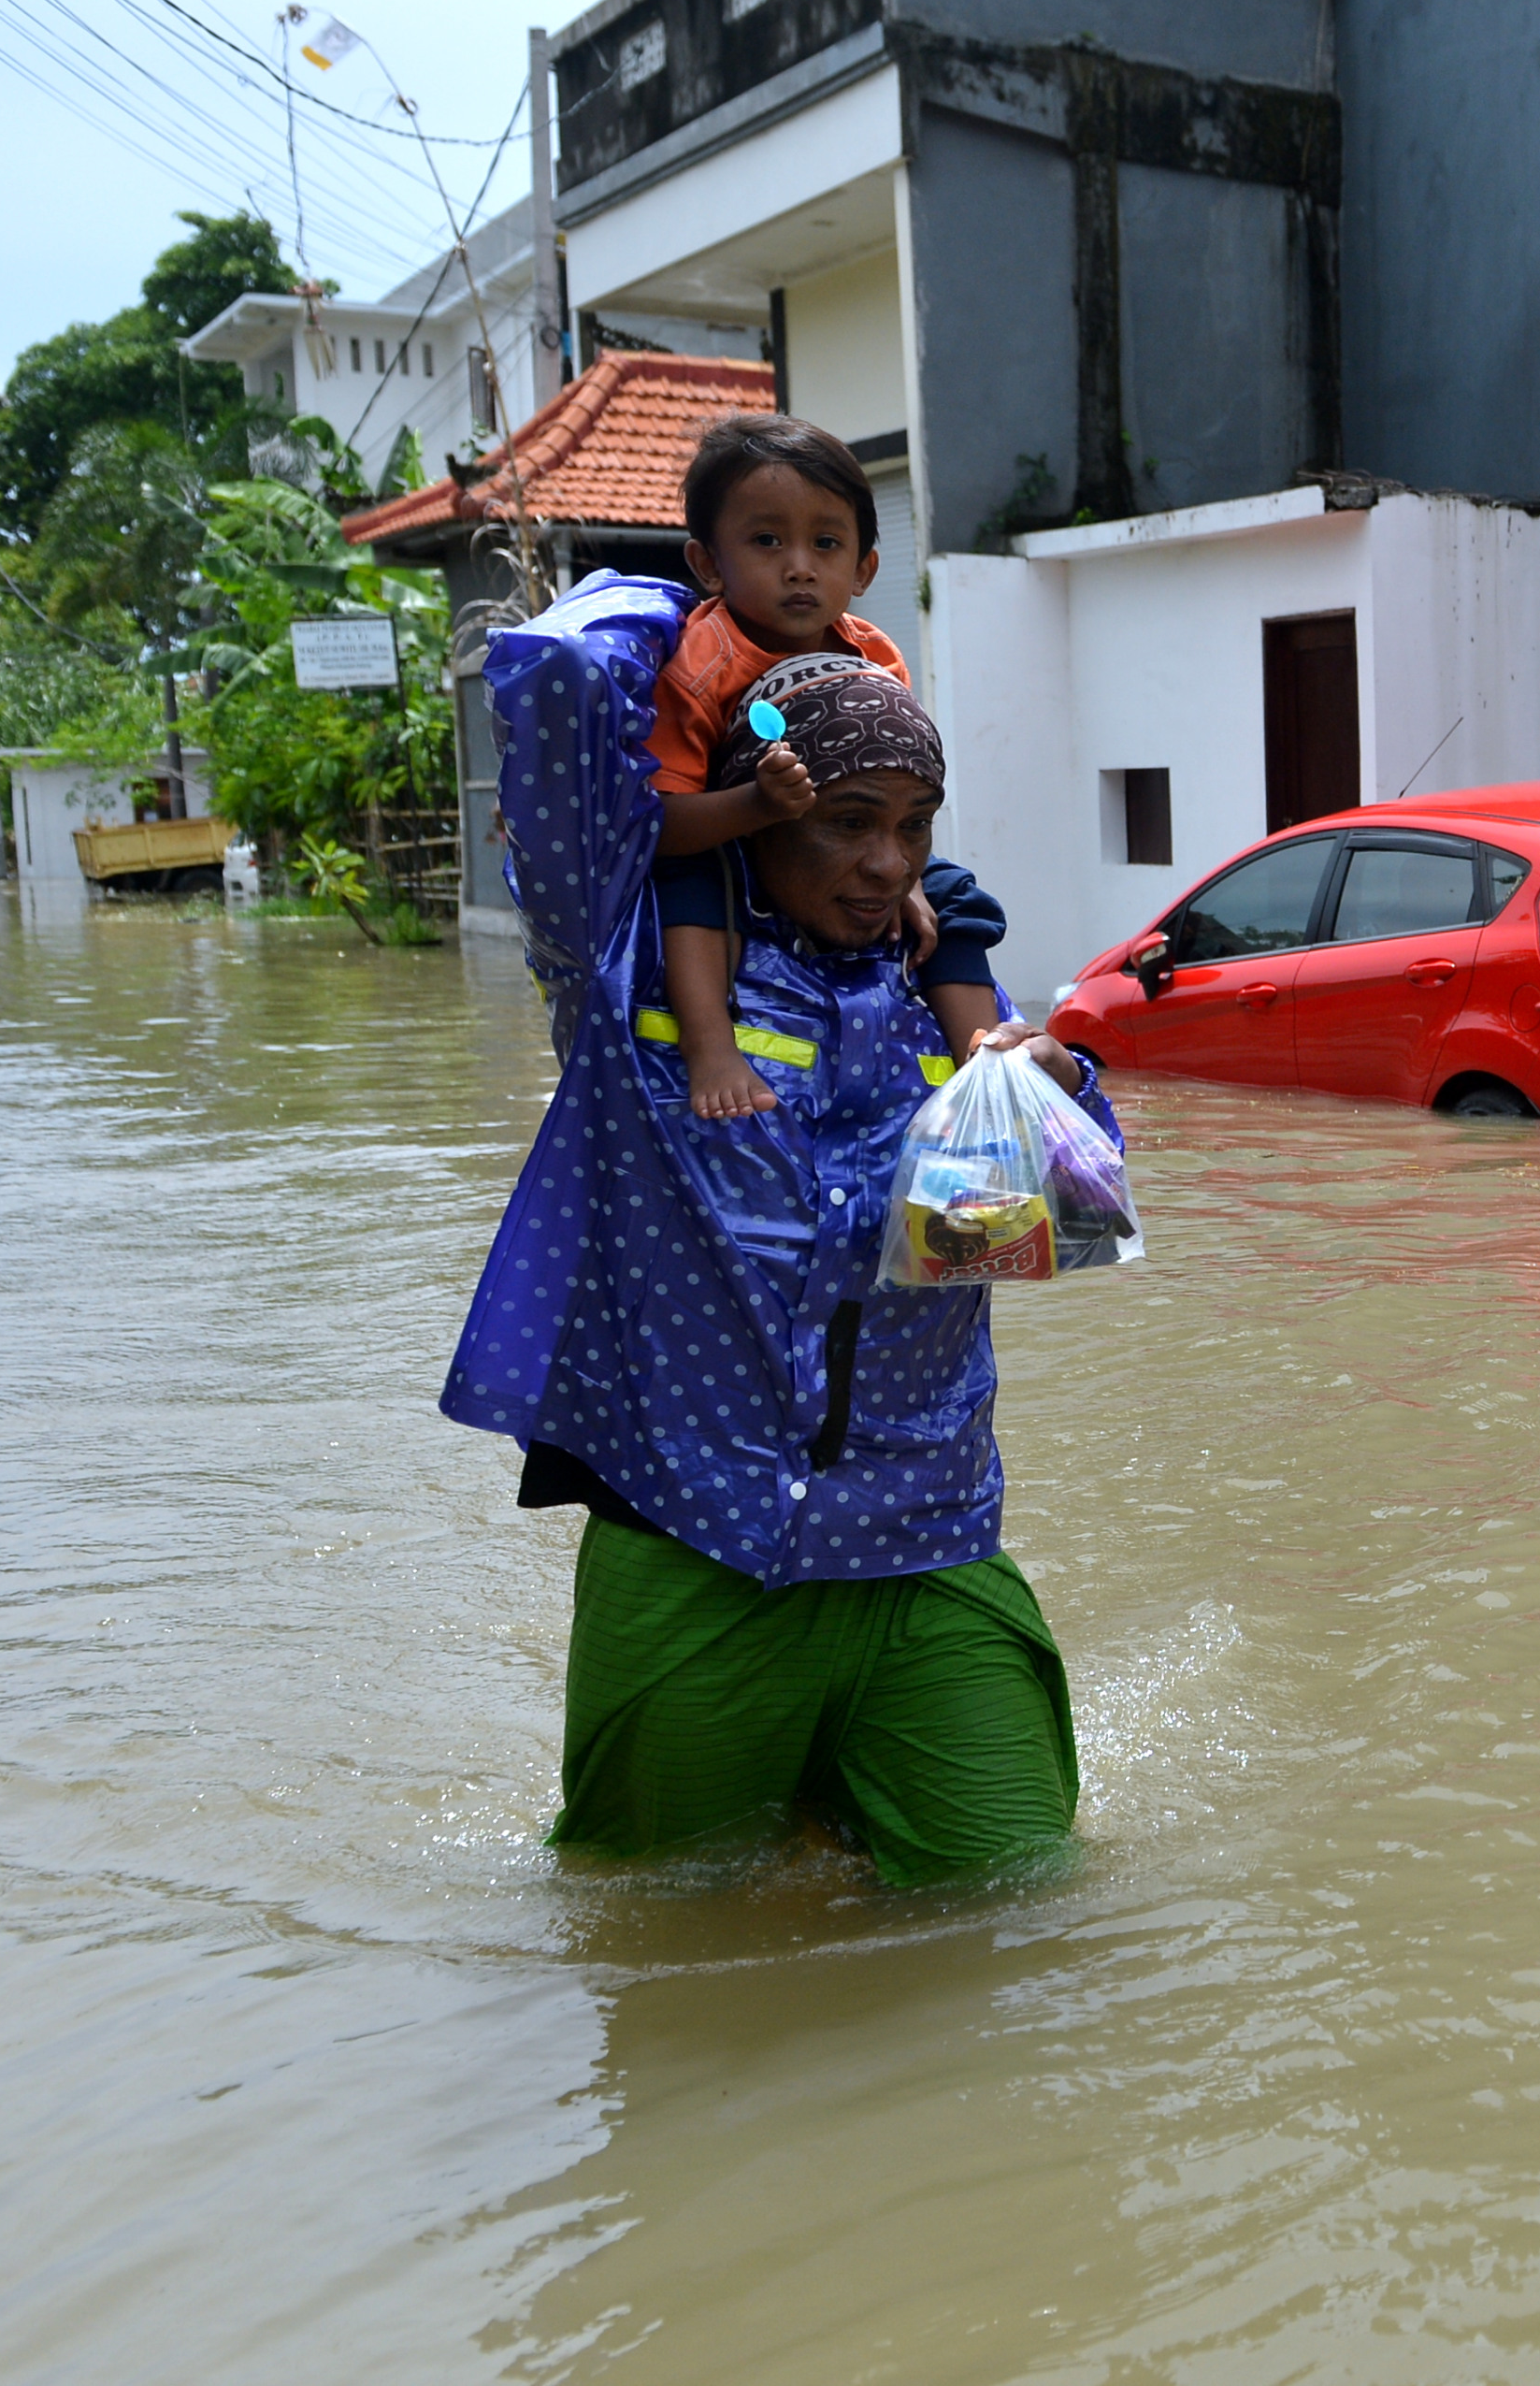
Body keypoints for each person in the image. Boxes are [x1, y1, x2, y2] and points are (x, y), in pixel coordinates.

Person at [442, 571, 1114, 1885]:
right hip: (695, 1546)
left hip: (923, 1544)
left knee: (1024, 1901)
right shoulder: (630, 962)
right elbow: (556, 679)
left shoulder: (949, 993)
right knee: (654, 1931)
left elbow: (1031, 1239)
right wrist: (741, 621)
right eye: (848, 823)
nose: (886, 865)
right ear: (769, 812)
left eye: (914, 828)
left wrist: (1053, 1108)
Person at [649, 412, 1003, 1119]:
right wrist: (754, 806)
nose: (800, 566)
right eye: (767, 540)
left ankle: (987, 1056)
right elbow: (659, 825)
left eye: (827, 543)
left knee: (952, 896)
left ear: (865, 568)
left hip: (839, 840)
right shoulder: (696, 666)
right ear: (708, 563)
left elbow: (895, 797)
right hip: (730, 847)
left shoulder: (876, 656)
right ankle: (712, 1047)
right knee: (684, 885)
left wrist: (902, 872)